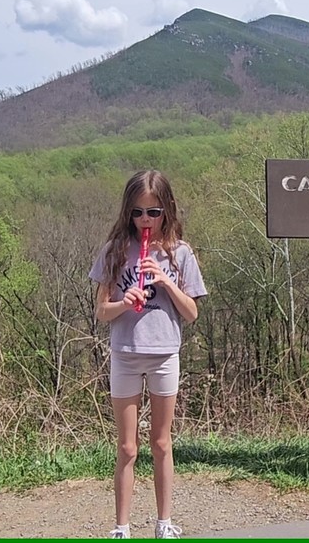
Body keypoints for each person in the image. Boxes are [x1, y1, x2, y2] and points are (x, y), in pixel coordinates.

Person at [88, 170, 207, 539]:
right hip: (125, 353)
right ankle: (121, 526)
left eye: (153, 213)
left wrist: (166, 280)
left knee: (161, 442)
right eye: (137, 213)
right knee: (126, 446)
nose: (145, 221)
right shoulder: (114, 252)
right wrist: (124, 302)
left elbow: (191, 313)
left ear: (166, 211)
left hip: (164, 354)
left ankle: (163, 522)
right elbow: (101, 312)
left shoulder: (181, 253)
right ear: (128, 212)